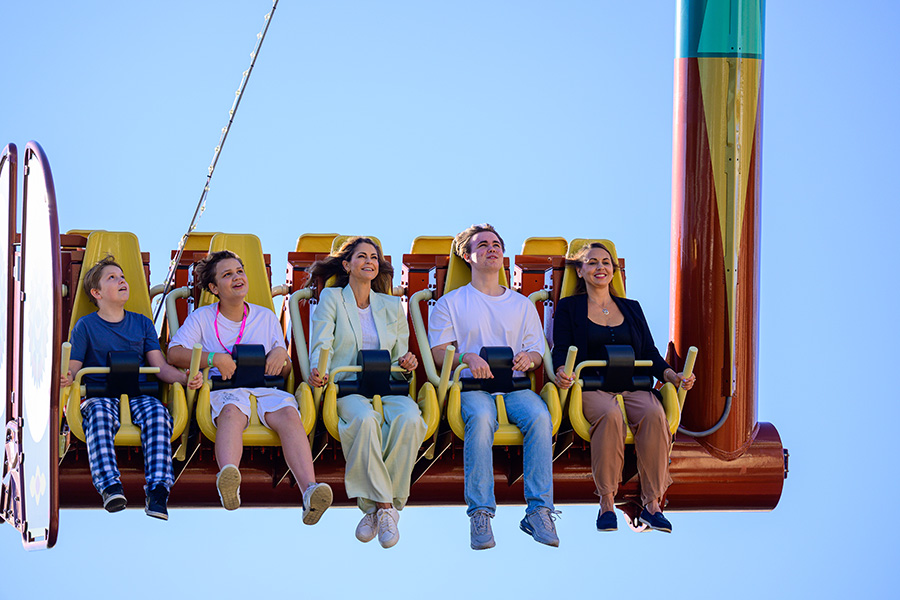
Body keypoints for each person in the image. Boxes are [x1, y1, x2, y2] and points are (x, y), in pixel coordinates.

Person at [167, 250, 332, 523]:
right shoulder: (202, 318)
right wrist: (214, 358)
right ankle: (229, 477)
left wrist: (283, 355)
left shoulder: (265, 317)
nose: (236, 278)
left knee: (291, 415)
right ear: (214, 288)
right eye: (227, 275)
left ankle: (309, 490)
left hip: (264, 387)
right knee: (231, 411)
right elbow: (174, 352)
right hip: (224, 389)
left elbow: (285, 366)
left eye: (239, 271)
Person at [429, 224, 559, 550]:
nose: (492, 249)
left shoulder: (522, 304)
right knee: (483, 418)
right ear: (466, 255)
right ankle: (480, 512)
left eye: (497, 244)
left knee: (541, 417)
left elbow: (537, 351)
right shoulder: (451, 302)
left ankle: (539, 510)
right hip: (472, 387)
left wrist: (528, 358)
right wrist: (466, 356)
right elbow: (437, 350)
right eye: (483, 244)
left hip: (514, 387)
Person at [552, 242, 695, 533]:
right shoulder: (570, 307)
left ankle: (652, 504)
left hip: (633, 385)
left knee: (656, 416)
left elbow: (650, 354)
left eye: (606, 262)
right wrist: (560, 373)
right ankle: (606, 501)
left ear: (614, 271)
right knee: (610, 415)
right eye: (592, 263)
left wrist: (672, 376)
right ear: (580, 271)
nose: (600, 267)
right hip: (592, 386)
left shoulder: (631, 308)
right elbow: (561, 349)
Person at [61, 256, 203, 520]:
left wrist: (185, 379)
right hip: (99, 394)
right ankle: (110, 486)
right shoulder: (86, 326)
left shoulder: (142, 323)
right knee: (99, 416)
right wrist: (67, 377)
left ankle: (158, 490)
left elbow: (159, 366)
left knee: (158, 415)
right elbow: (74, 366)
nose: (121, 280)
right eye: (112, 278)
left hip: (138, 393)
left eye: (122, 276)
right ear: (97, 293)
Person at [308, 237, 426, 549]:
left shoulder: (390, 305)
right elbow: (322, 344)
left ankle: (374, 508)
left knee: (412, 418)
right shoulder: (332, 299)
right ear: (347, 265)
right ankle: (387, 508)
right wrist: (319, 370)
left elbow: (402, 358)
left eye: (374, 257)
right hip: (347, 385)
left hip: (386, 385)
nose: (369, 262)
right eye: (361, 256)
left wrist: (408, 362)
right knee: (364, 421)